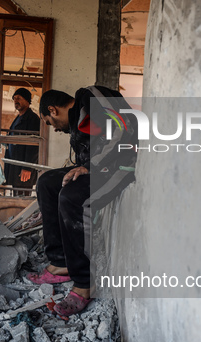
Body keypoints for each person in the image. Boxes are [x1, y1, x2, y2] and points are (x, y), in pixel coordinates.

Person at [27, 86, 137, 316]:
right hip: (98, 168)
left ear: (53, 110)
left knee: (72, 198)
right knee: (47, 183)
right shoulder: (80, 121)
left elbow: (121, 128)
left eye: (49, 122)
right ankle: (60, 263)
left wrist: (89, 166)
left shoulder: (89, 98)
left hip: (121, 166)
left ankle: (84, 285)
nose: (54, 129)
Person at [3, 88, 41, 196]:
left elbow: (34, 145)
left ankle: (23, 214)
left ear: (27, 100)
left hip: (23, 167)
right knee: (16, 195)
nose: (16, 101)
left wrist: (27, 167)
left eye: (19, 98)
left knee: (23, 197)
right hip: (15, 165)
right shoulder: (18, 119)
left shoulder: (33, 119)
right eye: (14, 98)